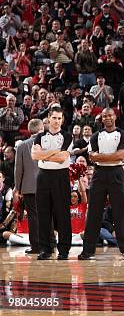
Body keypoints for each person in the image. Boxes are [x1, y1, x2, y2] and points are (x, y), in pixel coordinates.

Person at [78, 108, 124, 260]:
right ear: (101, 119)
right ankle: (88, 250)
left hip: (116, 173)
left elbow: (122, 154)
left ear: (115, 117)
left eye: (110, 115)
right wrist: (114, 157)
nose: (107, 118)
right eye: (104, 116)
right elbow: (92, 158)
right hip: (99, 174)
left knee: (120, 212)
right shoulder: (95, 136)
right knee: (93, 212)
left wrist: (103, 157)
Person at [31, 106, 73, 260]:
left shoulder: (67, 136)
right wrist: (54, 152)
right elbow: (35, 156)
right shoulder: (39, 136)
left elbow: (62, 158)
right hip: (43, 176)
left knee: (62, 214)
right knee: (43, 214)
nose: (56, 121)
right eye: (54, 118)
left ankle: (63, 250)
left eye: (59, 118)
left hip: (61, 176)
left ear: (62, 120)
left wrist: (45, 155)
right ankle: (45, 249)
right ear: (49, 118)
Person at [13, 119, 44, 255]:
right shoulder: (47, 143)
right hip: (46, 184)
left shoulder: (22, 146)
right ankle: (50, 244)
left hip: (29, 186)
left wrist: (18, 187)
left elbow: (18, 169)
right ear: (41, 129)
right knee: (47, 215)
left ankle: (36, 246)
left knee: (33, 216)